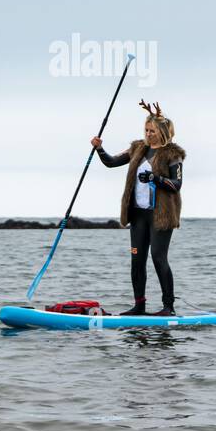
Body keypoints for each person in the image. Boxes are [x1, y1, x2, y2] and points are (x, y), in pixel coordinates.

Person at [90, 100, 186, 316]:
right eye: (146, 130)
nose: (148, 134)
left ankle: (168, 308)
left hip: (161, 216)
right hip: (138, 215)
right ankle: (139, 305)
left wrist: (155, 178)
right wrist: (99, 149)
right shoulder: (137, 148)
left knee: (158, 258)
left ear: (163, 132)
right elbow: (111, 162)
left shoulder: (173, 154)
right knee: (137, 260)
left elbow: (177, 185)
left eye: (152, 131)